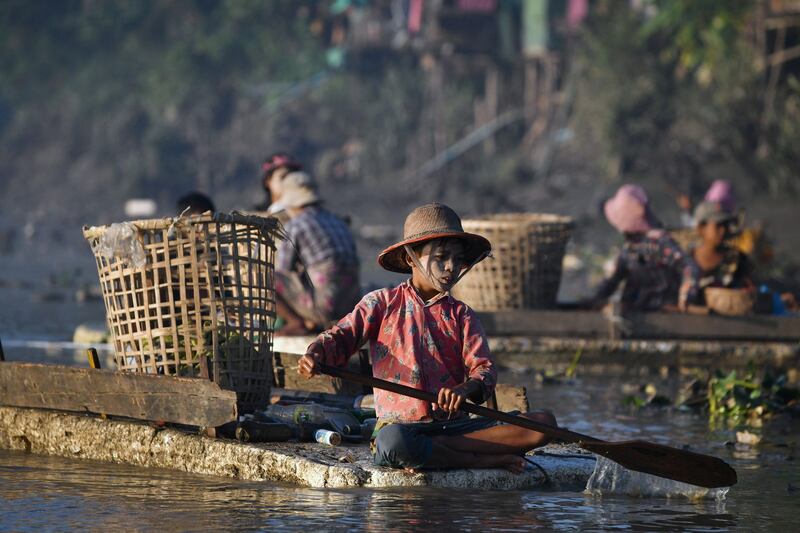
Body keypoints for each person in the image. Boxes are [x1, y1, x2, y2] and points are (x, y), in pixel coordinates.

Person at [298, 203, 556, 473]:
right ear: (412, 259)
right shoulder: (381, 303)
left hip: (456, 426)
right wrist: (316, 353)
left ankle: (444, 447)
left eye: (457, 260)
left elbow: (485, 371)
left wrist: (464, 390)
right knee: (394, 442)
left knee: (543, 423)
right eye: (442, 257)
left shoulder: (462, 314)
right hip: (401, 428)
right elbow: (342, 336)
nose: (450, 268)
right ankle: (480, 459)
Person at [272, 170, 360, 335]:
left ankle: (296, 322)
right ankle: (317, 321)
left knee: (267, 277)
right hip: (350, 308)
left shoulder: (296, 225)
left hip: (323, 308)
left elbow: (284, 269)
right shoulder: (337, 221)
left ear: (291, 204)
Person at [591, 184, 685, 312]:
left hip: (648, 313)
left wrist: (594, 301)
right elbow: (686, 268)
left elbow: (611, 282)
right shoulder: (662, 243)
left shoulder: (637, 249)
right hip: (655, 312)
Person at [679, 201, 753, 309]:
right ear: (701, 228)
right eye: (718, 226)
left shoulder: (736, 260)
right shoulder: (683, 259)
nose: (723, 230)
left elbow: (749, 292)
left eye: (725, 225)